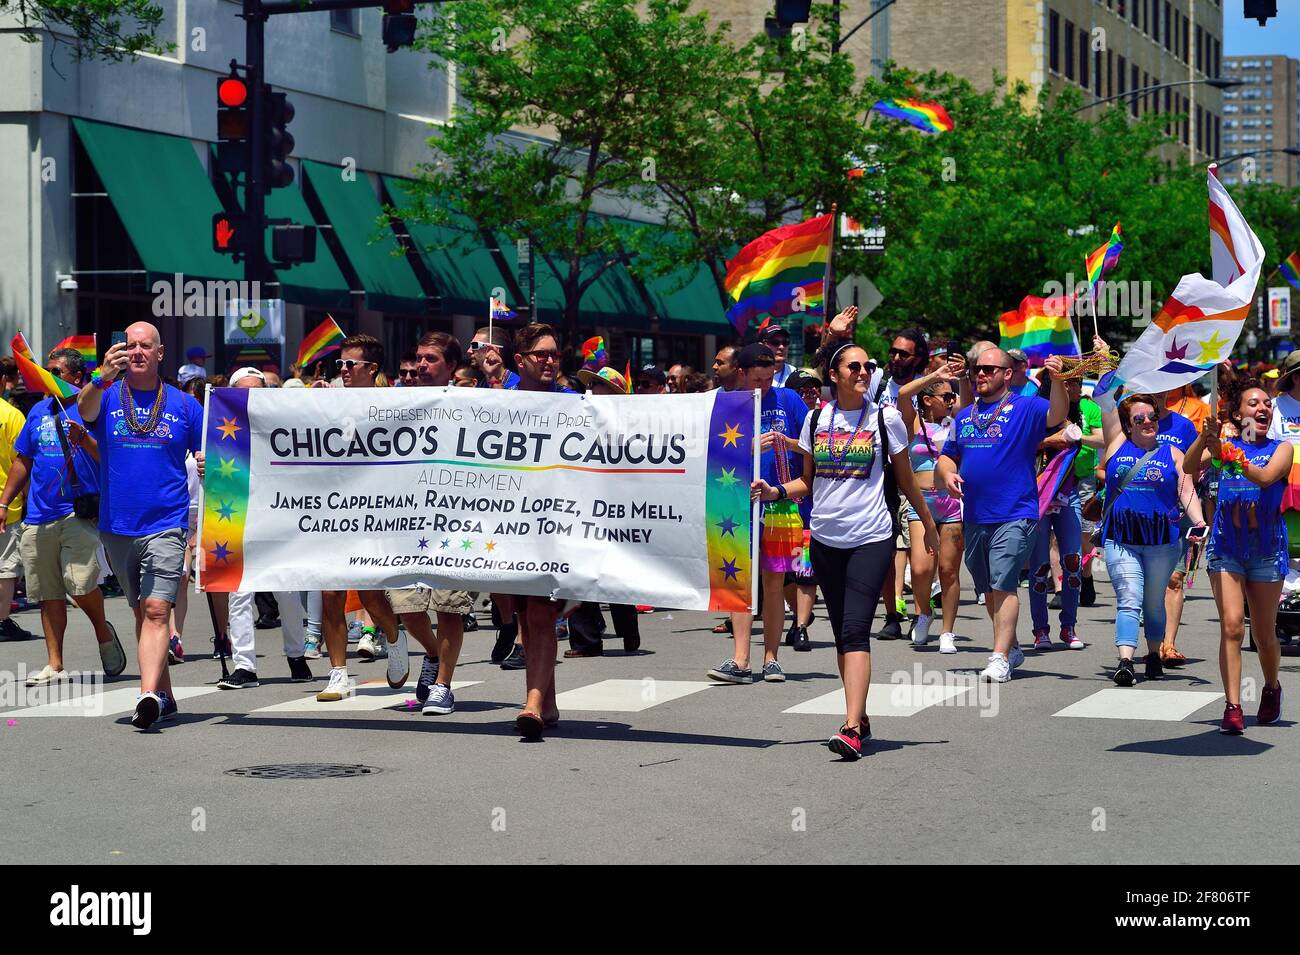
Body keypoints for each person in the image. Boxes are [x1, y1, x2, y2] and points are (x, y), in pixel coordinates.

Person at [752, 342, 938, 759]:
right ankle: (862, 715)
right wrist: (775, 490)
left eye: (868, 365)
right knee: (841, 634)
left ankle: (851, 727)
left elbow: (906, 480)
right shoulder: (817, 418)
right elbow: (808, 482)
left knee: (855, 629)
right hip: (825, 540)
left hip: (871, 537)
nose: (863, 370)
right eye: (854, 365)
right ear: (834, 375)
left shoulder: (885, 418)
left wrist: (928, 525)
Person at [76, 322, 203, 730]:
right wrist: (99, 376)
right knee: (141, 611)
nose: (137, 352)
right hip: (117, 526)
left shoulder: (185, 406)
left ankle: (146, 695)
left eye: (145, 345)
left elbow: (217, 453)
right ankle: (163, 696)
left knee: (155, 608)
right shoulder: (107, 394)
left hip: (166, 523)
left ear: (160, 353)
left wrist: (208, 463)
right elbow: (84, 411)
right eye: (130, 345)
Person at [936, 347, 1069, 683]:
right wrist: (948, 473)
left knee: (1004, 582)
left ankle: (998, 657)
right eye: (976, 370)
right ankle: (1010, 647)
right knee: (989, 591)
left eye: (988, 369)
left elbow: (1056, 414)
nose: (980, 374)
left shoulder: (1025, 407)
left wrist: (1058, 381)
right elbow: (948, 456)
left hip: (1016, 513)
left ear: (1007, 374)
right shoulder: (965, 415)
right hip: (977, 516)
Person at [0, 347, 124, 682]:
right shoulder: (38, 411)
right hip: (38, 516)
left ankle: (102, 631)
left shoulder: (94, 407)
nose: (48, 376)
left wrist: (84, 439)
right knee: (48, 591)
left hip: (78, 512)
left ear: (75, 376)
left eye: (55, 371)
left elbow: (110, 459)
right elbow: (23, 460)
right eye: (47, 370)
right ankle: (55, 663)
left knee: (80, 584)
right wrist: (4, 501)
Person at [1185, 379, 1290, 734]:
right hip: (1226, 545)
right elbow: (1187, 466)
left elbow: (1262, 478)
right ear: (1237, 413)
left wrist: (1226, 451)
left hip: (1265, 548)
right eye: (1253, 404)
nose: (1262, 409)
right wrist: (1206, 438)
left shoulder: (1282, 449)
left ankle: (1272, 687)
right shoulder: (1222, 445)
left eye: (1266, 404)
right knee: (1231, 626)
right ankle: (1232, 706)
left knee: (1263, 635)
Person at [315, 335, 409, 702]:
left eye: (349, 365)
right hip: (333, 510)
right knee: (331, 592)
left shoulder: (391, 404)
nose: (342, 371)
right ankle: (338, 673)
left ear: (371, 369)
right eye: (339, 365)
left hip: (374, 512)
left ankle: (393, 634)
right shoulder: (328, 401)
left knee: (371, 593)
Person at [708, 343, 807, 685]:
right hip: (735, 503)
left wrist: (785, 442)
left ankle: (772, 659)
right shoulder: (728, 403)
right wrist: (751, 447)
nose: (765, 385)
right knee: (738, 581)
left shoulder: (789, 401)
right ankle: (740, 658)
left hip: (779, 502)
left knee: (775, 582)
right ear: (741, 374)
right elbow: (715, 453)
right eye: (758, 379)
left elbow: (809, 446)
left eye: (769, 378)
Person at [386, 331, 473, 715]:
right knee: (406, 605)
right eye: (419, 358)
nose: (421, 365)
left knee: (449, 605)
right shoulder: (397, 402)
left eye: (431, 359)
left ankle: (442, 687)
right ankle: (435, 654)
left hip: (457, 520)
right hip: (409, 520)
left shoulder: (474, 405)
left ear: (451, 366)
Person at [1096, 383, 1204, 685]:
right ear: (1128, 426)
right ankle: (1126, 661)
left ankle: (1154, 653)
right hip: (1122, 540)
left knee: (1154, 602)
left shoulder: (1172, 452)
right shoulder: (1117, 443)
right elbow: (1104, 397)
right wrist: (1105, 362)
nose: (1147, 423)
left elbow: (1186, 488)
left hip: (1162, 542)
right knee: (1129, 597)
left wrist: (1198, 522)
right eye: (1139, 419)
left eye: (1152, 418)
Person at [215, 368, 312, 688]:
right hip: (237, 514)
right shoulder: (221, 427)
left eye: (259, 390)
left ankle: (296, 656)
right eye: (244, 391)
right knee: (239, 593)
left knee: (287, 590)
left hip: (278, 517)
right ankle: (245, 666)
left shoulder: (281, 424)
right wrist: (206, 464)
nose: (252, 396)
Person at [505, 324, 577, 739]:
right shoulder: (499, 405)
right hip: (510, 527)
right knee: (527, 618)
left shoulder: (575, 404)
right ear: (521, 361)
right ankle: (546, 701)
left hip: (558, 526)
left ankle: (531, 704)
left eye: (554, 354)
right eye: (540, 355)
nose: (550, 361)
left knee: (540, 612)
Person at [566, 353, 642, 657]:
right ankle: (586, 641)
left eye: (600, 386)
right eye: (592, 385)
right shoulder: (579, 419)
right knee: (580, 572)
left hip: (616, 504)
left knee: (616, 571)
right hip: (582, 503)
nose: (593, 390)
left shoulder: (630, 425)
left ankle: (629, 630)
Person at [897, 356, 967, 653]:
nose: (952, 400)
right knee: (922, 569)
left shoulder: (957, 422)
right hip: (921, 502)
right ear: (927, 400)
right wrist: (934, 375)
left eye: (954, 396)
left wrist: (959, 380)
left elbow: (970, 401)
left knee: (949, 570)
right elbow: (903, 395)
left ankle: (948, 631)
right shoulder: (913, 423)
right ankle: (923, 613)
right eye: (947, 396)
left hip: (951, 503)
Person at [1025, 371, 1094, 651]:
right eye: (1068, 382)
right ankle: (1041, 629)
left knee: (1073, 562)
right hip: (1038, 495)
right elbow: (1021, 446)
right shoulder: (1034, 413)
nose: (1075, 387)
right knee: (1040, 566)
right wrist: (1051, 441)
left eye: (1076, 382)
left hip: (1068, 494)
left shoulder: (1080, 413)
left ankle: (1069, 626)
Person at [872, 328, 928, 637]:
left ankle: (923, 614)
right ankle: (891, 614)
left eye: (902, 354)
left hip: (920, 475)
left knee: (921, 554)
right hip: (884, 475)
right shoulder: (877, 384)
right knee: (888, 545)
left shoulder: (930, 387)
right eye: (892, 351)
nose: (895, 358)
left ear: (917, 358)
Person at [0, 366, 35, 643]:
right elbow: (22, 462)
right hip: (6, 504)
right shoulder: (11, 415)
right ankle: (1, 621)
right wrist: (30, 499)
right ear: (3, 381)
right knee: (5, 567)